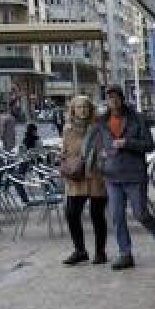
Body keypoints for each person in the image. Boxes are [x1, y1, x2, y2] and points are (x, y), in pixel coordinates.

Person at [84, 85, 155, 271]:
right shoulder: (102, 121)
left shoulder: (137, 119)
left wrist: (127, 143)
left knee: (140, 214)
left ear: (122, 99)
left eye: (116, 97)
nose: (113, 101)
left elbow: (149, 145)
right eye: (109, 98)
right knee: (117, 216)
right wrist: (101, 158)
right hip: (111, 176)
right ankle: (125, 253)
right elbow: (94, 145)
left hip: (134, 174)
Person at [59, 96, 107, 266]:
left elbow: (105, 149)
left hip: (96, 176)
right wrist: (65, 163)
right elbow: (64, 151)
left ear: (90, 109)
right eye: (79, 107)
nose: (83, 110)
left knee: (97, 215)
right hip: (77, 177)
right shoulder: (68, 130)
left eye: (85, 107)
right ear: (73, 110)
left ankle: (100, 252)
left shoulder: (98, 127)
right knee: (71, 214)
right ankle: (80, 250)